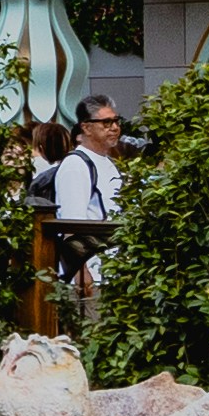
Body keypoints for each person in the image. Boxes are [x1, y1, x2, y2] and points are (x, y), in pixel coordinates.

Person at [44, 93, 129, 294]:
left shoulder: (109, 164)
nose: (114, 127)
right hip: (90, 278)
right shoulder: (76, 164)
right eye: (106, 123)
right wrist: (81, 273)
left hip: (113, 274)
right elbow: (71, 225)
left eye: (116, 121)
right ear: (86, 127)